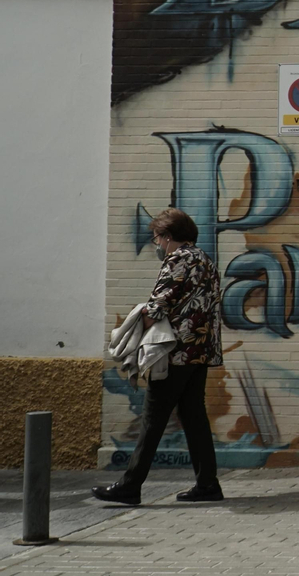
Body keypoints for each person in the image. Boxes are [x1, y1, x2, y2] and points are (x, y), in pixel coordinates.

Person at [93, 209, 225, 505]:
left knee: (153, 418)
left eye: (157, 238)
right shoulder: (205, 259)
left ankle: (130, 486)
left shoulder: (177, 260)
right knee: (194, 417)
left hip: (174, 352)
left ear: (167, 237)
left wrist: (142, 322)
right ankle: (207, 484)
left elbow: (157, 307)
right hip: (200, 350)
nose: (156, 244)